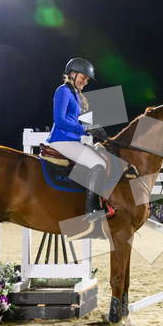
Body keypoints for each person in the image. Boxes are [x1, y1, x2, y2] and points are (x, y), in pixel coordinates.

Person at [46, 57, 114, 221]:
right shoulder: (63, 91)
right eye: (83, 78)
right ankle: (91, 210)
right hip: (62, 141)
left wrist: (93, 129)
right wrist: (85, 129)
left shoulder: (75, 94)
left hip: (73, 140)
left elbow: (75, 122)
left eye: (87, 80)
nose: (85, 82)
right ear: (72, 74)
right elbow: (60, 121)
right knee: (99, 164)